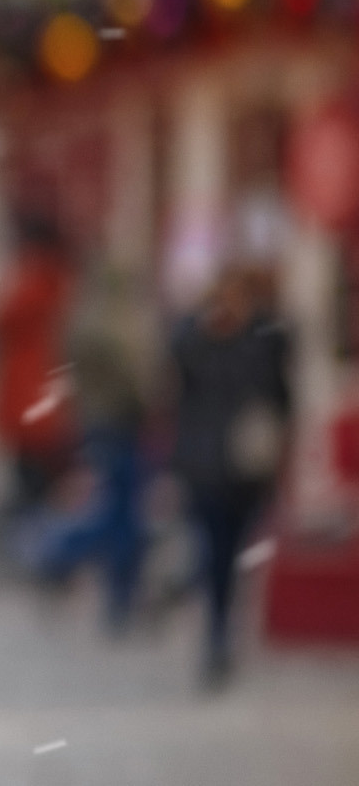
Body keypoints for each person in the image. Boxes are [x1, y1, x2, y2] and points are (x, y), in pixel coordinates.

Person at [167, 263, 292, 690]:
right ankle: (216, 634)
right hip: (203, 465)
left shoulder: (264, 341)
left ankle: (222, 625)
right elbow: (175, 388)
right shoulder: (193, 338)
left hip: (245, 466)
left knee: (236, 552)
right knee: (212, 550)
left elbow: (280, 400)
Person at [31, 265, 151, 634]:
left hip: (92, 420)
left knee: (108, 504)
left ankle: (73, 563)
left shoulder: (78, 321)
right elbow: (133, 380)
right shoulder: (111, 328)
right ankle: (77, 566)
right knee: (120, 511)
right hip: (118, 422)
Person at [0, 210, 75, 521]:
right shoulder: (63, 281)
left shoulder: (31, 281)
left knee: (32, 470)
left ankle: (37, 531)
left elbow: (0, 319)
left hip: (27, 390)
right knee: (45, 469)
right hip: (48, 388)